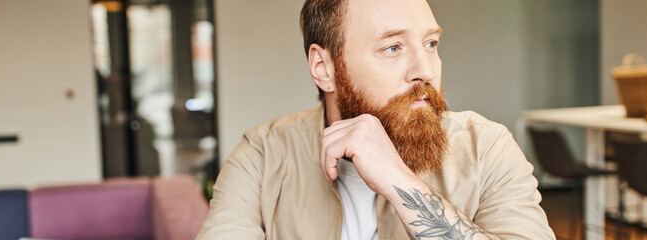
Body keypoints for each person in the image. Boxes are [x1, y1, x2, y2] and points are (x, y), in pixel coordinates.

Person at [197, 0, 556, 239]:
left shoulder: (487, 148)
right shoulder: (262, 155)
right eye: (393, 48)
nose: (426, 70)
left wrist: (399, 181)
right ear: (324, 69)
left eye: (431, 44)